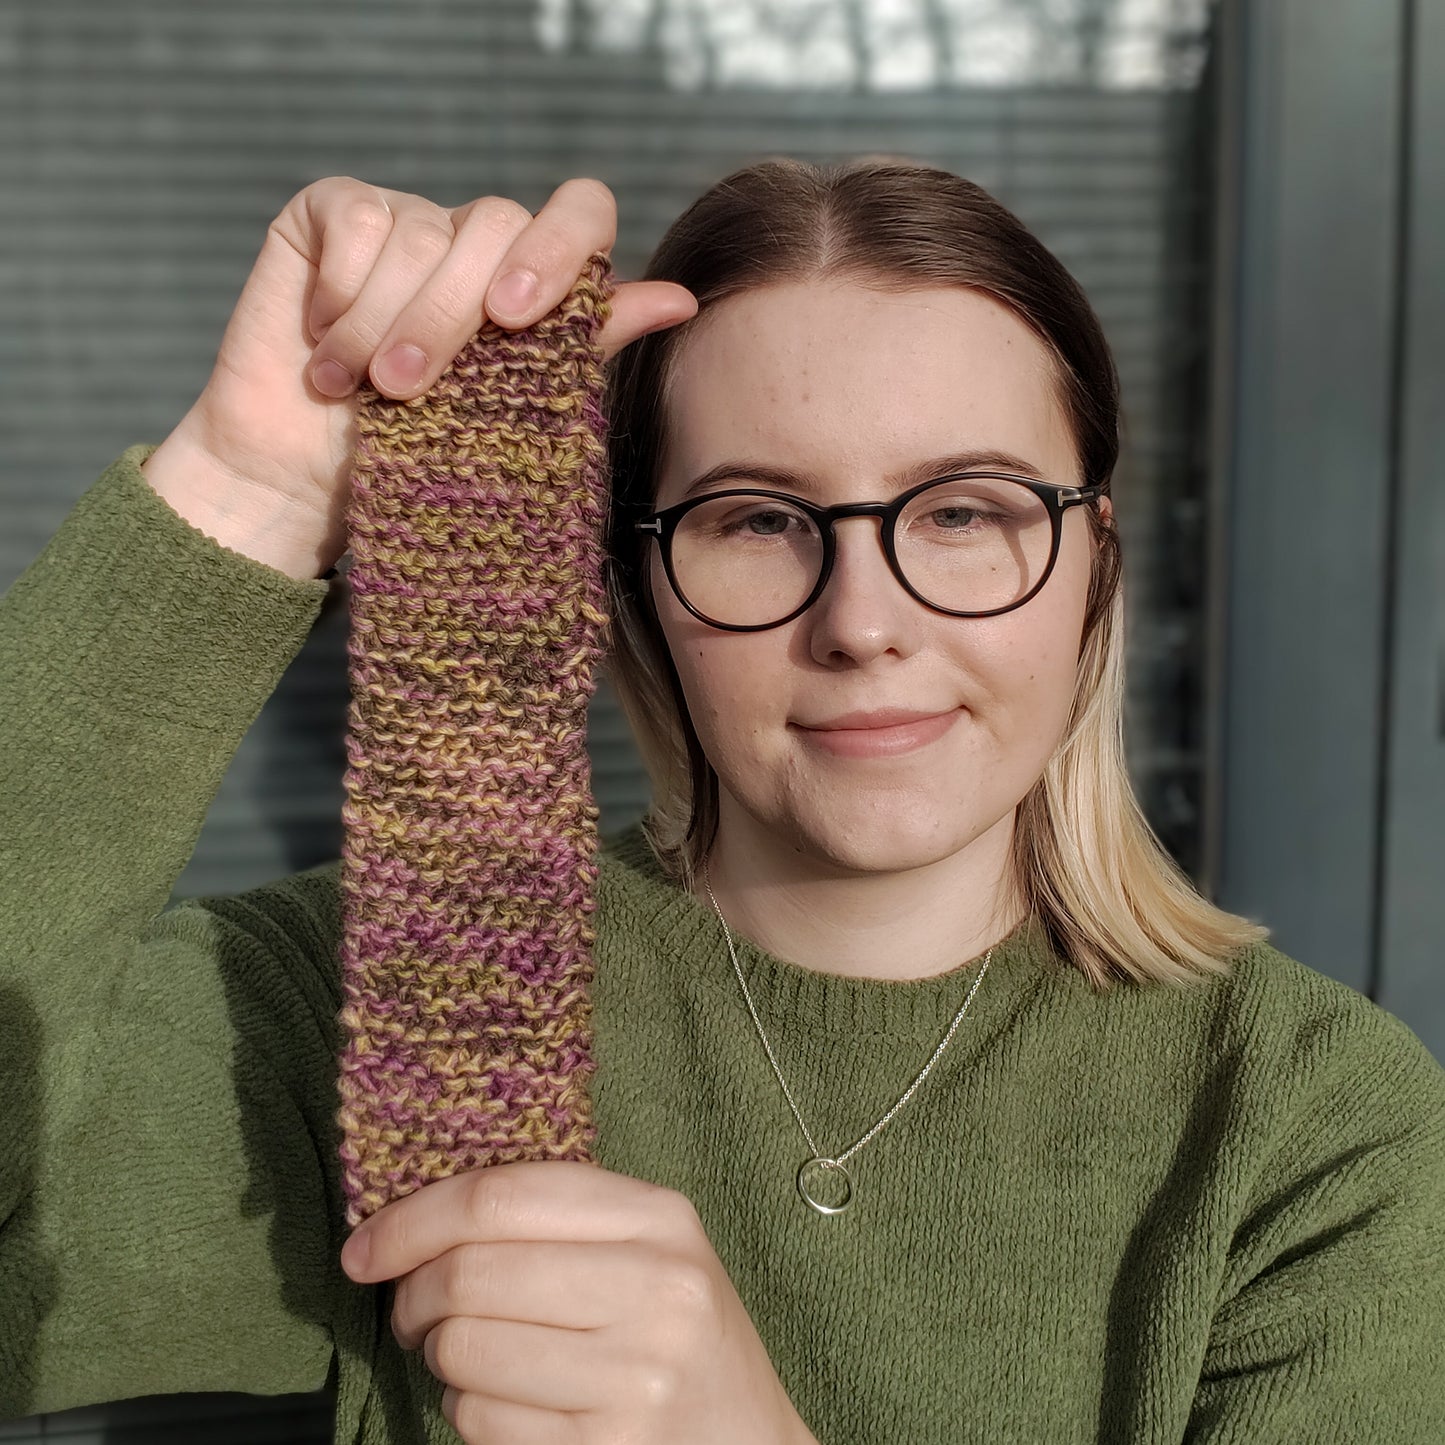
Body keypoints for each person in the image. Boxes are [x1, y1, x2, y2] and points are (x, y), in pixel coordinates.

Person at [1, 159, 1442, 1445]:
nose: (863, 621)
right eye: (756, 519)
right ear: (635, 588)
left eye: (962, 510)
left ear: (1091, 569)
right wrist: (244, 490)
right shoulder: (393, 1000)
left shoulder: (1314, 1130)